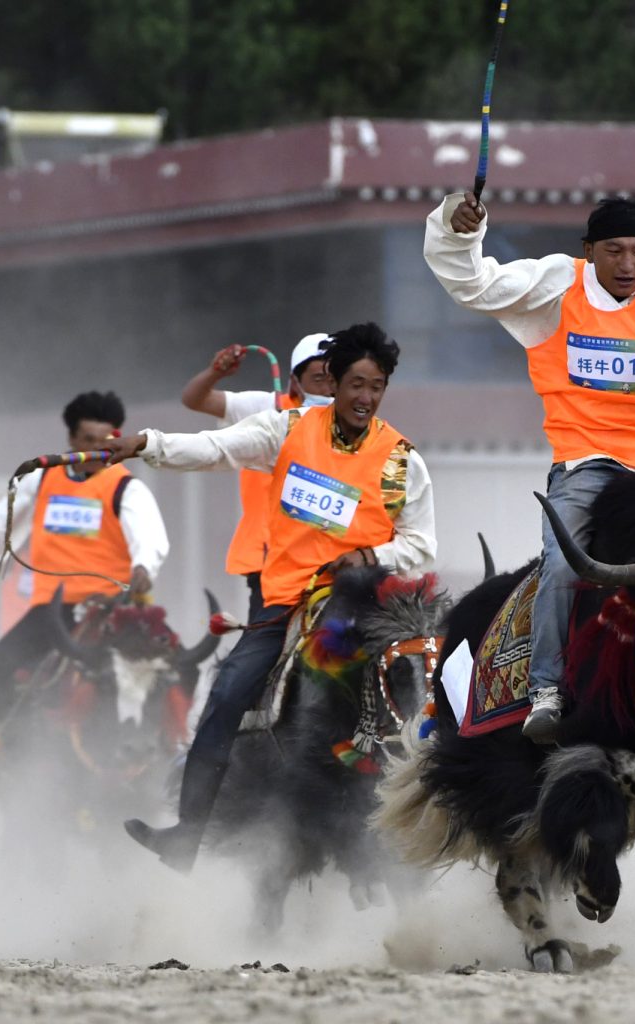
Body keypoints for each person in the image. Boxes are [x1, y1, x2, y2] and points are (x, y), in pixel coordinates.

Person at [106, 323, 436, 873]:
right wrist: (146, 444)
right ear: (332, 384)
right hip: (284, 603)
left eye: (376, 386)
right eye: (356, 384)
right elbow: (214, 447)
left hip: (368, 607)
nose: (365, 397)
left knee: (432, 684)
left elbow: (421, 544)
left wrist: (369, 558)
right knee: (227, 693)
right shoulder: (288, 428)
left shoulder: (403, 460)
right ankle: (189, 834)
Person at [424, 191, 635, 743]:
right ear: (588, 251)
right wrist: (456, 228)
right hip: (584, 467)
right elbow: (472, 284)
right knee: (566, 567)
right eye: (614, 251)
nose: (629, 265)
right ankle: (545, 689)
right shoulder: (555, 284)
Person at [0, 391, 170, 730]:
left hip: (114, 610)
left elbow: (149, 536)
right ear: (72, 439)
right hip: (53, 612)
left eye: (107, 441)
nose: (98, 450)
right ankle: (0, 746)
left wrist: (144, 567)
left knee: (168, 670)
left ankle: (172, 749)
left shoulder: (128, 489)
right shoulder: (41, 478)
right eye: (88, 440)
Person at [179, 334, 334, 617]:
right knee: (256, 654)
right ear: (295, 381)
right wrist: (216, 373)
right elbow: (195, 399)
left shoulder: (357, 422)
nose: (328, 388)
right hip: (271, 561)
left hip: (335, 563)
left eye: (336, 378)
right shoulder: (267, 409)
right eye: (319, 378)